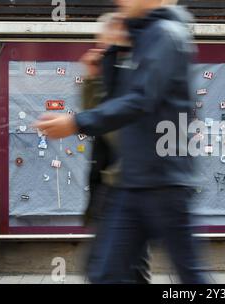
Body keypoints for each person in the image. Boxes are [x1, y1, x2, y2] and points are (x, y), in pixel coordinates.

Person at [35, 0, 206, 284]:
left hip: (165, 182)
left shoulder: (166, 35)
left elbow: (139, 100)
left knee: (189, 276)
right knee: (105, 273)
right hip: (132, 183)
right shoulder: (141, 38)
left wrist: (76, 122)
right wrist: (108, 57)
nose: (120, 2)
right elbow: (118, 101)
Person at [80, 13, 151, 284]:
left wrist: (96, 81)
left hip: (130, 186)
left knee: (123, 268)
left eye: (104, 43)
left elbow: (108, 123)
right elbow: (95, 123)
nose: (99, 50)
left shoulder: (135, 72)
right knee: (105, 267)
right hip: (110, 185)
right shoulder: (114, 72)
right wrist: (93, 79)